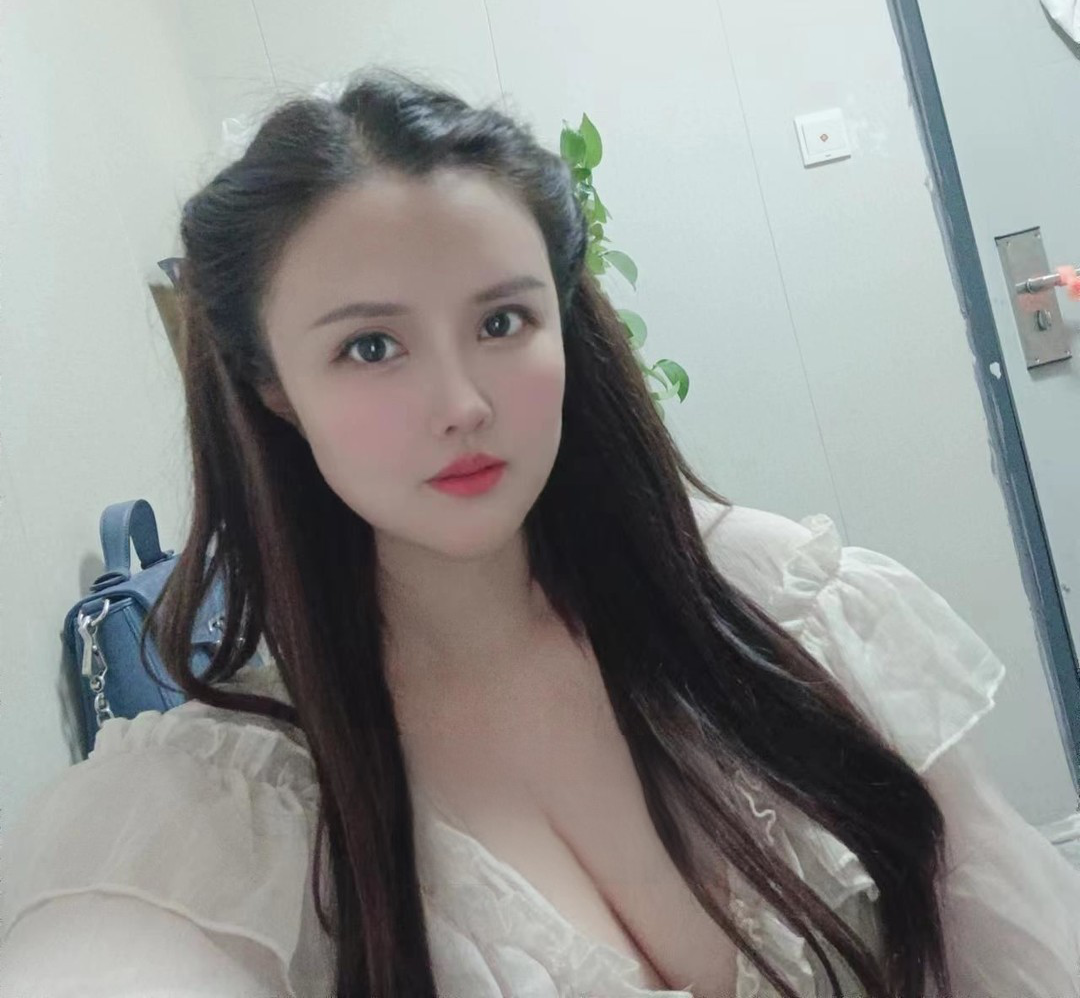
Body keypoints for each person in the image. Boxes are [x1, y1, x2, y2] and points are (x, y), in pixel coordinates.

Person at [3, 67, 1079, 998]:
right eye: (371, 346)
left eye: (502, 320)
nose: (462, 402)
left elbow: (1017, 936)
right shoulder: (235, 798)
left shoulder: (779, 601)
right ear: (272, 385)